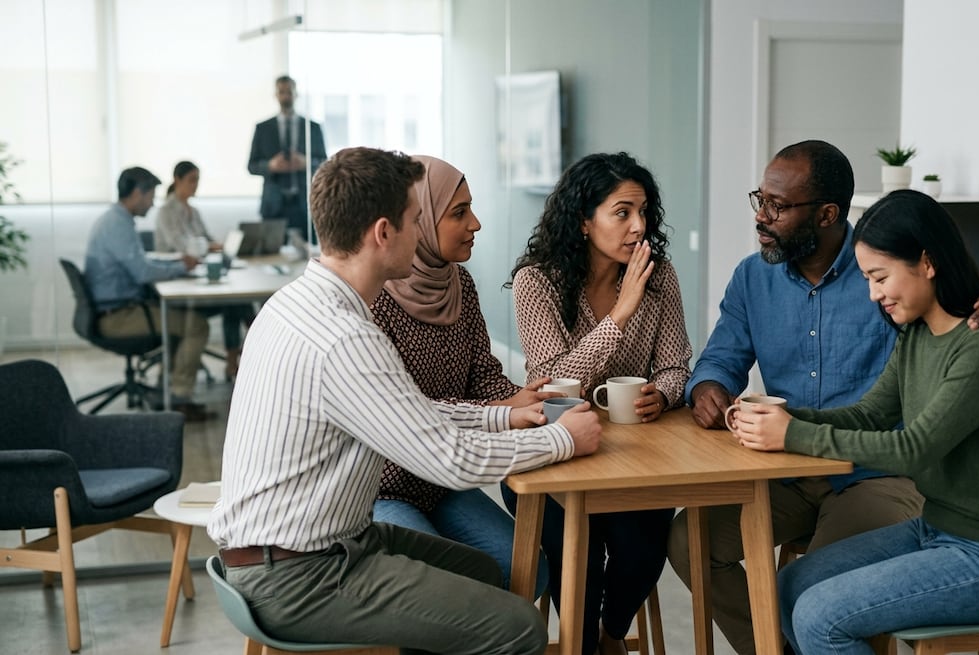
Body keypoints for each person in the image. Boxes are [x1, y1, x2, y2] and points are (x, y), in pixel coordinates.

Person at [208, 147, 602, 654]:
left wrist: (503, 414)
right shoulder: (346, 338)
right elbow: (452, 460)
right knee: (520, 625)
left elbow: (403, 412)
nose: (422, 236)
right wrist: (561, 439)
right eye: (417, 221)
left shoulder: (295, 303)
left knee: (488, 571)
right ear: (383, 233)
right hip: (301, 574)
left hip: (312, 547)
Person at [665, 140, 979, 655]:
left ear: (827, 214)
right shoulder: (767, 281)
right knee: (714, 551)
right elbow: (866, 410)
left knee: (821, 607)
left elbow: (919, 438)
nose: (762, 216)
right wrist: (741, 402)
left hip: (886, 483)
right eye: (761, 200)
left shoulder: (945, 323)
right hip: (802, 473)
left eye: (778, 205)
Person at [503, 152, 693, 655]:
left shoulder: (660, 276)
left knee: (643, 546)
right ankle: (583, 644)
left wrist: (664, 393)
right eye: (623, 212)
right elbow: (555, 386)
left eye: (644, 212)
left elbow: (676, 366)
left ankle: (612, 637)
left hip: (635, 456)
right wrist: (621, 315)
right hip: (554, 455)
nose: (639, 226)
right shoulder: (536, 282)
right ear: (585, 222)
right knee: (576, 555)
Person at [370, 154, 556, 594]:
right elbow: (408, 413)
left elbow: (483, 375)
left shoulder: (460, 284)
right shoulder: (375, 301)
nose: (475, 224)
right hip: (383, 487)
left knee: (528, 568)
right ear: (418, 220)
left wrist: (524, 397)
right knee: (439, 587)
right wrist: (501, 411)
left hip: (442, 482)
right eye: (459, 212)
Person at [83, 166, 212, 422]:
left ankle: (169, 389)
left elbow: (141, 261)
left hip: (118, 308)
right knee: (196, 326)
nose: (153, 202)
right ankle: (179, 400)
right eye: (151, 195)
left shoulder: (116, 219)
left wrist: (175, 264)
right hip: (117, 316)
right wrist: (179, 267)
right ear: (137, 194)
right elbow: (142, 272)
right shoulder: (117, 224)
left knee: (179, 320)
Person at [154, 160, 255, 380]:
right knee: (236, 304)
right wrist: (210, 246)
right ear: (177, 180)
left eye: (198, 180)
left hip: (198, 277)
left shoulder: (194, 211)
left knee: (237, 302)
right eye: (191, 180)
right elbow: (181, 245)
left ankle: (236, 362)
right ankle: (253, 345)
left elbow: (205, 240)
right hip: (178, 283)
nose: (195, 184)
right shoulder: (166, 211)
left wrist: (221, 244)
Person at [248, 75, 327, 241]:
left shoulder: (312, 127)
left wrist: (306, 163)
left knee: (310, 254)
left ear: (296, 94)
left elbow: (325, 163)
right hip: (273, 204)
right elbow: (252, 165)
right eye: (281, 92)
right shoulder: (262, 128)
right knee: (271, 254)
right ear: (276, 95)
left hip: (304, 204)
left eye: (289, 91)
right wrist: (271, 165)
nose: (286, 96)